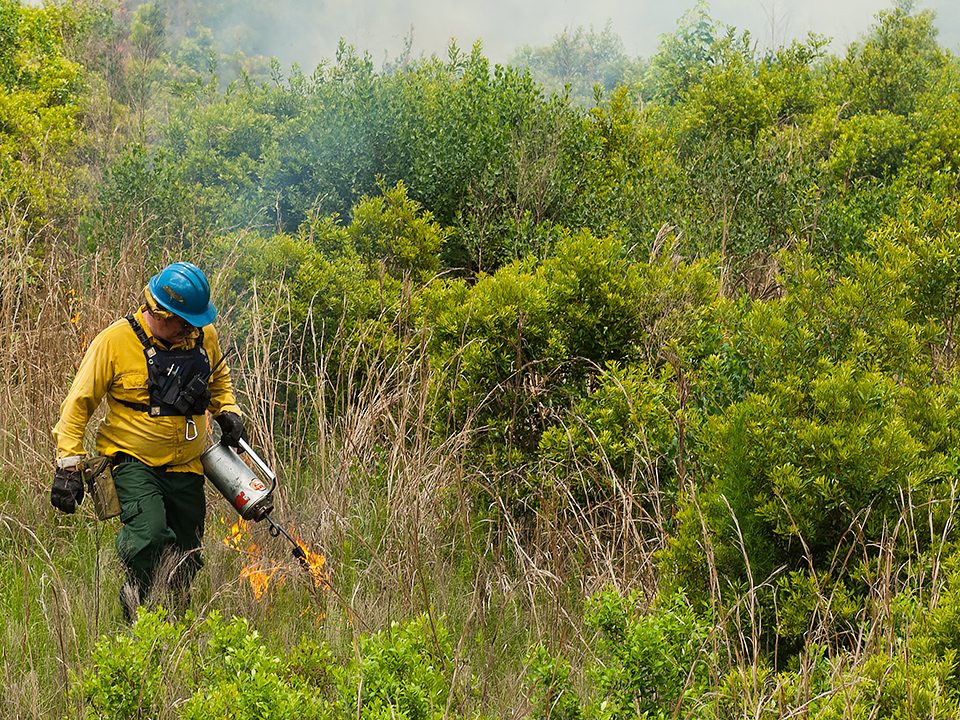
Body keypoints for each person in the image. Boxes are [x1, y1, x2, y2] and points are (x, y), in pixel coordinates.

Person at [51, 261, 247, 619]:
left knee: (188, 550)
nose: (191, 329)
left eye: (194, 322)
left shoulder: (203, 335)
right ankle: (137, 604)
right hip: (133, 462)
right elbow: (78, 404)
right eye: (184, 322)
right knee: (151, 534)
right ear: (160, 311)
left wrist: (227, 410)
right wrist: (68, 463)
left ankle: (173, 620)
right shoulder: (115, 341)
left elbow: (219, 379)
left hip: (187, 464)